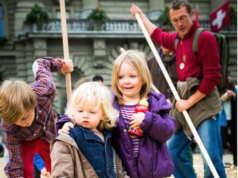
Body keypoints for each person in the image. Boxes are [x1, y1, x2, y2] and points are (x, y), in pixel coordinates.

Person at [130, 1, 226, 178]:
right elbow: (158, 35)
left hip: (203, 106)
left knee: (211, 158)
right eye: (175, 20)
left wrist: (189, 101)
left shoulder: (204, 38)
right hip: (182, 106)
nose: (179, 24)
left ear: (191, 15)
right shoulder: (177, 40)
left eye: (183, 18)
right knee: (172, 153)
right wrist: (141, 16)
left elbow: (212, 77)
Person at [59, 50, 176, 178]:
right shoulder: (108, 102)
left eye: (132, 76)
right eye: (121, 77)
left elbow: (168, 130)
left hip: (154, 173)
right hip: (124, 172)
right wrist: (66, 121)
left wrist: (147, 120)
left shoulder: (155, 102)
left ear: (143, 78)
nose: (126, 81)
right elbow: (84, 109)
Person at [0, 57, 74, 178]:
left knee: (58, 165)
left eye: (24, 117)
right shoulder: (9, 125)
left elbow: (39, 63)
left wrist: (61, 64)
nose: (21, 123)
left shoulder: (46, 90)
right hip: (25, 139)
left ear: (33, 104)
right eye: (16, 121)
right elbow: (14, 163)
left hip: (48, 134)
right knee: (24, 169)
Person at [51, 82, 125, 178]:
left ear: (103, 115)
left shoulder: (110, 137)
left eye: (92, 112)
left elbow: (118, 169)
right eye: (80, 111)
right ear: (74, 111)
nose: (85, 115)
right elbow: (61, 174)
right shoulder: (67, 140)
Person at [218, 71, 237, 166]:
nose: (228, 78)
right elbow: (215, 106)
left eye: (229, 76)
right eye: (226, 77)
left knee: (235, 140)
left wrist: (234, 96)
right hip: (222, 120)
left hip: (233, 119)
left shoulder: (234, 89)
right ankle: (220, 162)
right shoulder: (217, 90)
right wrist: (222, 99)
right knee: (221, 141)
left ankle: (236, 162)